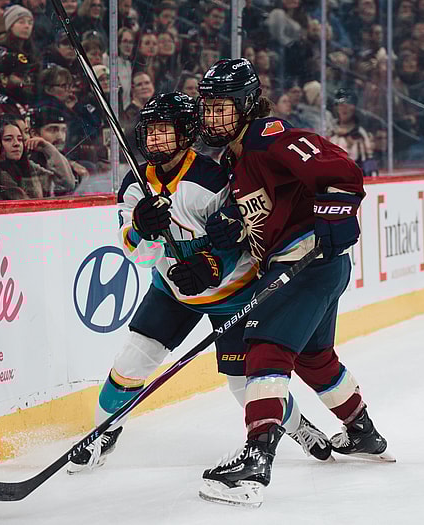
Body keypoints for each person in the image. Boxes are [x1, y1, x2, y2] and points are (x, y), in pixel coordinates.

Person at [67, 92, 332, 474]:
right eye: (150, 131)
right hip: (172, 290)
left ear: (186, 132)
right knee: (132, 360)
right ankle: (101, 434)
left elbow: (240, 237)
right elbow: (136, 254)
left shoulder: (214, 179)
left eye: (164, 130)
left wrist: (211, 264)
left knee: (242, 386)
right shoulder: (135, 185)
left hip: (233, 293)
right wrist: (142, 228)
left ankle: (298, 427)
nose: (155, 139)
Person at [196, 58, 391, 507]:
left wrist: (336, 215)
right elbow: (269, 208)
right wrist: (235, 225)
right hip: (309, 268)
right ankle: (363, 433)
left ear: (247, 106)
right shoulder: (236, 160)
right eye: (208, 108)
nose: (213, 117)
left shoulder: (269, 138)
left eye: (222, 107)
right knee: (314, 358)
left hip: (306, 264)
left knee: (265, 349)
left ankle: (255, 462)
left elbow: (341, 170)